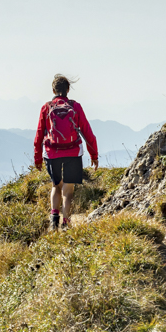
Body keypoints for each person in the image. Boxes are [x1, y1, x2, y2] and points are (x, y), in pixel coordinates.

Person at [34, 74, 99, 231]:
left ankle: (53, 220)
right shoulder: (75, 107)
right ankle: (66, 222)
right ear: (68, 89)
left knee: (56, 186)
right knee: (68, 190)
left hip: (51, 153)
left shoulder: (46, 107)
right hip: (73, 152)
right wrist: (94, 155)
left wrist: (37, 158)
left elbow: (39, 134)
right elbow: (87, 131)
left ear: (53, 89)